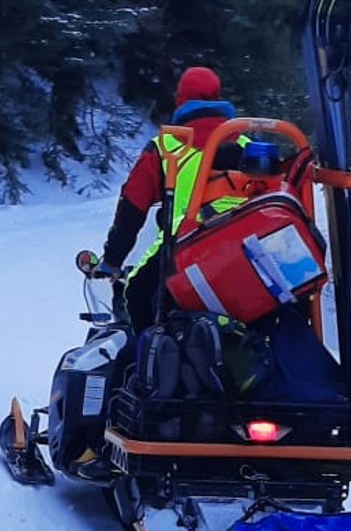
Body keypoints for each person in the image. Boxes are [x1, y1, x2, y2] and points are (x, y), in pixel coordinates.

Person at [80, 66, 237, 332]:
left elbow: (132, 208)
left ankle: (148, 355)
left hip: (184, 250)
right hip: (242, 249)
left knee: (137, 297)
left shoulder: (166, 147)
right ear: (217, 97)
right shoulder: (246, 144)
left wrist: (112, 261)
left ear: (182, 100)